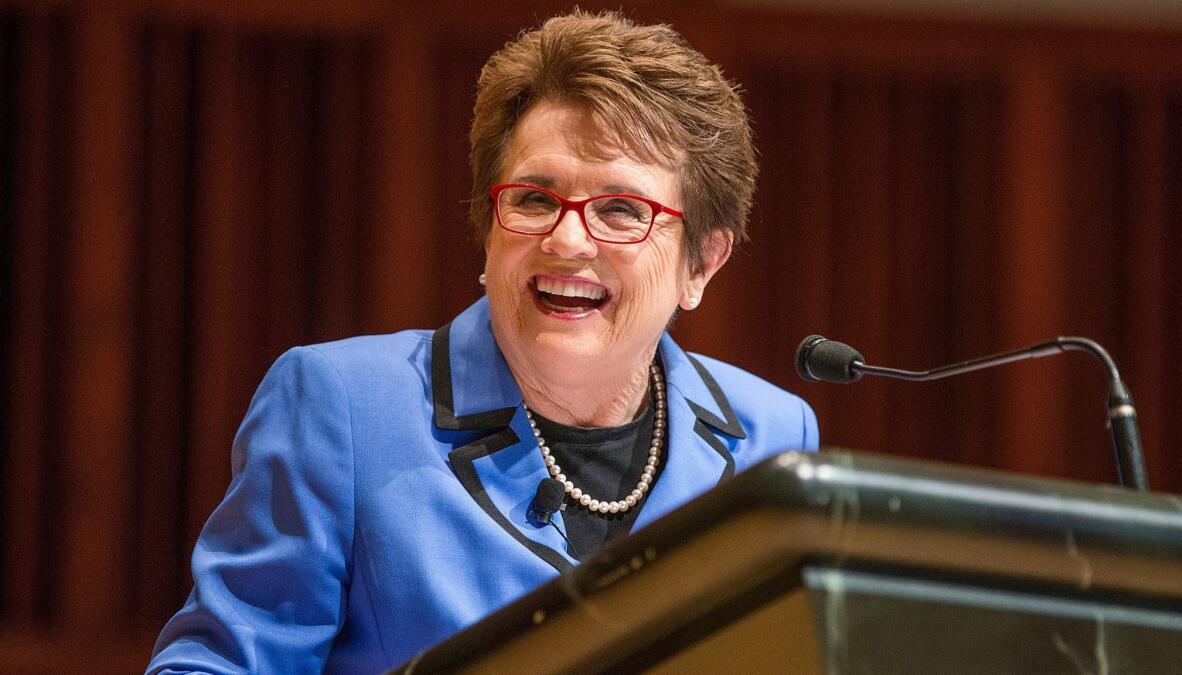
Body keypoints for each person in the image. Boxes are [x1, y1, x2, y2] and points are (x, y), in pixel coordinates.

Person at [147, 10, 817, 674]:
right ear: (487, 226)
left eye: (620, 210)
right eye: (533, 199)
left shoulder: (774, 439)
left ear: (701, 263)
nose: (567, 239)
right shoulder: (343, 409)